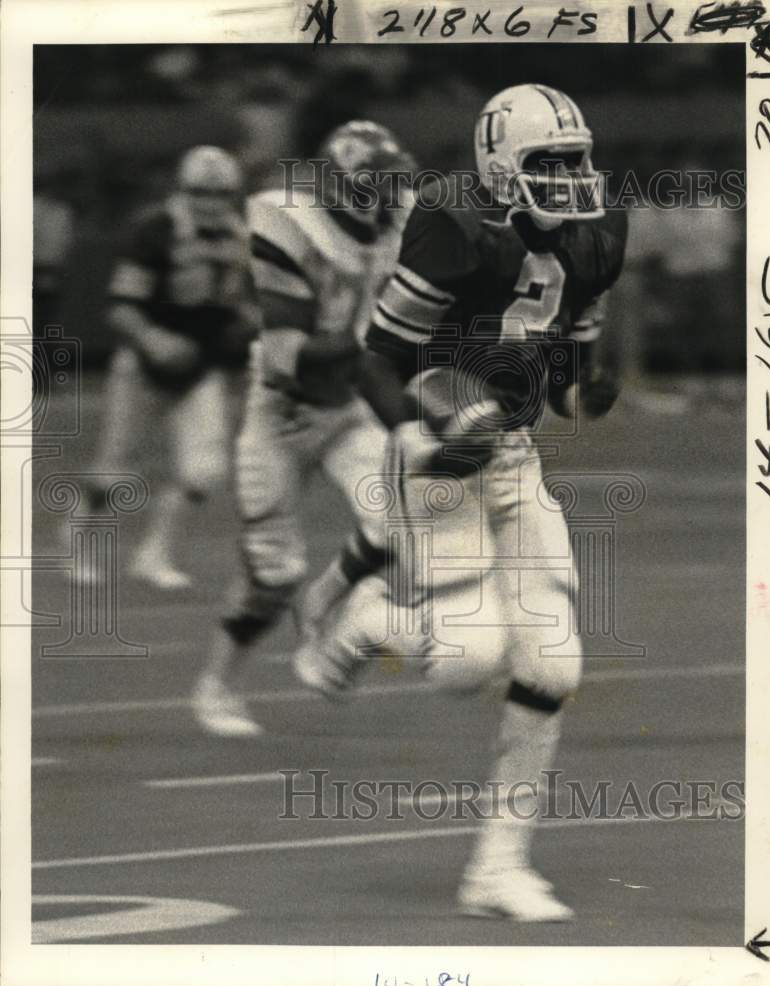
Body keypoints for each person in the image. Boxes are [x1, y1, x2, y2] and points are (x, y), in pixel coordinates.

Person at [295, 85, 628, 922]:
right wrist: (417, 434)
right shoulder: (455, 226)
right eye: (548, 164)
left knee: (553, 663)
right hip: (436, 458)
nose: (570, 180)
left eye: (576, 160)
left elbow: (569, 390)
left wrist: (593, 390)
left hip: (511, 456)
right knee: (466, 664)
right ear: (500, 166)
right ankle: (371, 615)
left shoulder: (598, 238)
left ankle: (496, 870)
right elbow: (376, 358)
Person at [192, 121, 415, 737]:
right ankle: (217, 684)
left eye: (393, 182)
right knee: (273, 577)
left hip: (345, 412)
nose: (390, 194)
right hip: (281, 416)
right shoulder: (289, 225)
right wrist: (370, 342)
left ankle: (323, 615)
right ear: (343, 186)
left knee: (404, 519)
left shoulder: (393, 225)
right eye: (378, 182)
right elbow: (290, 359)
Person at [84, 145, 258, 589]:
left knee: (204, 471)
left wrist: (248, 324)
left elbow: (237, 307)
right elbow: (120, 307)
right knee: (116, 466)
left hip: (200, 370)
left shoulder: (242, 237)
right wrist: (153, 339)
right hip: (142, 367)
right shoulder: (156, 231)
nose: (211, 203)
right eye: (201, 192)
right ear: (183, 191)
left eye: (220, 193)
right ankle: (79, 542)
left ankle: (154, 552)